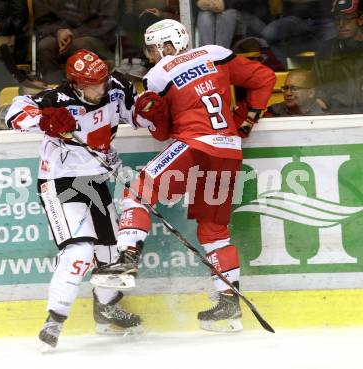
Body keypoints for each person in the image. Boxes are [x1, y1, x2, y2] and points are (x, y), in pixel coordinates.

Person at [91, 19, 275, 332]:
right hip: (229, 149)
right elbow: (264, 78)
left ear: (169, 45)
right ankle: (229, 305)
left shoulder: (158, 74)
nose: (151, 55)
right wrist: (245, 120)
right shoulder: (216, 53)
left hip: (195, 146)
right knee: (214, 230)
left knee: (139, 188)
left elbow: (162, 134)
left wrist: (151, 112)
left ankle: (127, 256)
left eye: (153, 48)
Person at [5, 49, 141, 350]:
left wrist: (151, 109)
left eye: (102, 81)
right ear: (76, 84)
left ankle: (106, 311)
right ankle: (54, 320)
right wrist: (43, 119)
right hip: (59, 181)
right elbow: (13, 112)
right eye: (92, 84)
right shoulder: (57, 100)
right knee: (79, 251)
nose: (100, 88)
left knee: (112, 257)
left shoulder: (115, 87)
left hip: (95, 180)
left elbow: (136, 111)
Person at [33, 0, 118, 84]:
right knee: (46, 45)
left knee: (82, 45)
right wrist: (58, 31)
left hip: (96, 37)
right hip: (59, 36)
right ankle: (55, 88)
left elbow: (105, 21)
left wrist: (72, 33)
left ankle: (89, 87)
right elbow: (43, 22)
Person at [313, 0, 363, 114]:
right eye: (337, 19)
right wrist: (321, 100)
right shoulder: (325, 51)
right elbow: (316, 88)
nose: (341, 24)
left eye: (347, 18)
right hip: (335, 119)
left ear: (360, 19)